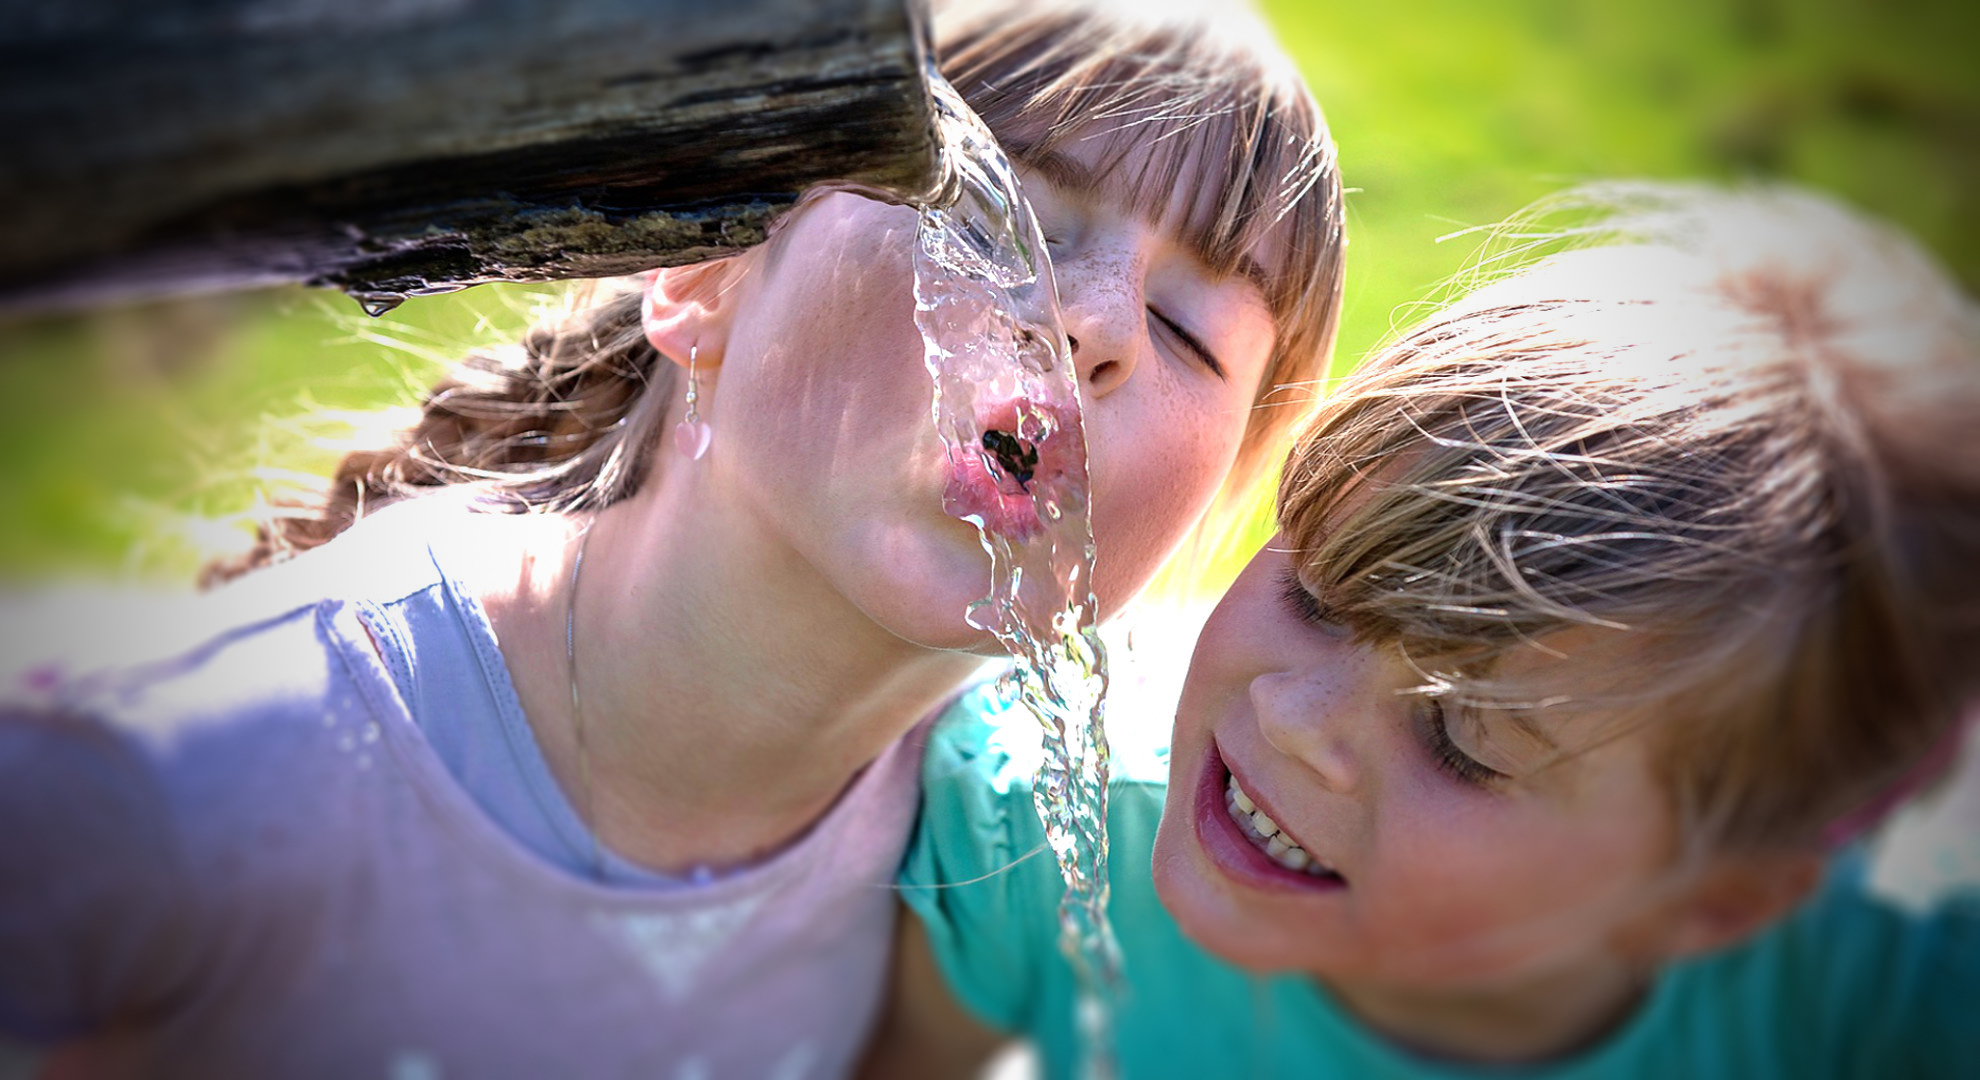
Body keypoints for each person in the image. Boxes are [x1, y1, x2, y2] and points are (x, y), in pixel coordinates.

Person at [0, 1, 1346, 1075]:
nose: (1095, 327)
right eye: (1012, 218)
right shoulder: (214, 770)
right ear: (702, 278)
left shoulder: (991, 867)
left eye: (1188, 333)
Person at [875, 181, 1980, 1078]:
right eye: (1316, 596)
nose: (1293, 718)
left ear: (1708, 902)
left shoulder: (1885, 1002)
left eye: (1461, 743)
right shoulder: (1041, 838)